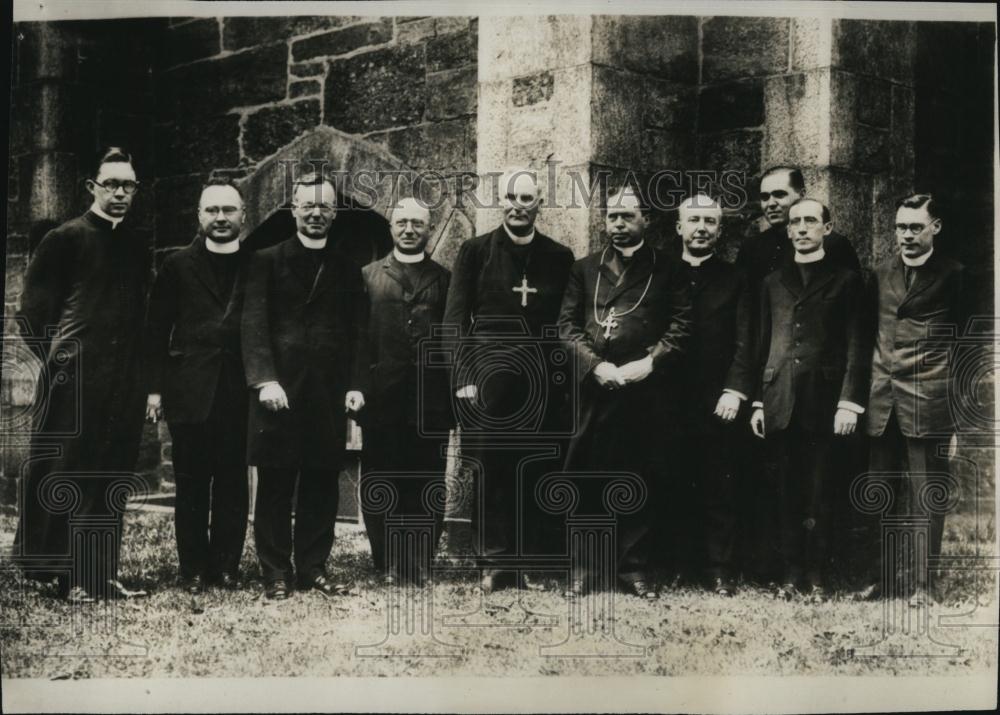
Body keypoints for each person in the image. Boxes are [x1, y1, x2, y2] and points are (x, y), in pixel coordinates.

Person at [13, 147, 150, 602]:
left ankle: (100, 573)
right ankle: (64, 575)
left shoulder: (135, 242)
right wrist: (62, 360)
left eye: (127, 185)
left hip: (123, 380)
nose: (119, 193)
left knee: (111, 474)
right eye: (110, 183)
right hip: (73, 382)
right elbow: (31, 314)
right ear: (91, 187)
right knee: (69, 472)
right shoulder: (65, 238)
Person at [442, 169, 575, 593]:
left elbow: (565, 323)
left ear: (540, 204)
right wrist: (463, 378)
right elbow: (454, 320)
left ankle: (531, 563)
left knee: (534, 469)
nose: (518, 205)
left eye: (527, 198)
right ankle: (495, 563)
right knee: (493, 470)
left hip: (541, 383)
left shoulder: (559, 256)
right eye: (510, 198)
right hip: (487, 382)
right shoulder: (475, 251)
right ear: (500, 202)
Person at [558, 186, 691, 599]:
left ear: (645, 220)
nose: (618, 224)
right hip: (595, 389)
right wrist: (595, 365)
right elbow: (566, 327)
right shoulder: (584, 269)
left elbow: (682, 326)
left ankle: (633, 568)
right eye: (613, 216)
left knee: (640, 475)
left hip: (644, 391)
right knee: (586, 477)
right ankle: (584, 567)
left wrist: (648, 364)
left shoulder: (667, 269)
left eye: (627, 216)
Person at [242, 172, 369, 601]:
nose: (316, 213)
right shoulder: (265, 260)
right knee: (276, 486)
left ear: (335, 212)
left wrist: (355, 385)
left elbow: (358, 333)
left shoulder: (348, 267)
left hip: (327, 395)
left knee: (320, 483)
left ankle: (312, 568)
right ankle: (275, 571)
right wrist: (265, 381)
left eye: (325, 206)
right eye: (308, 205)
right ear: (294, 208)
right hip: (278, 394)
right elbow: (254, 327)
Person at [736, 165, 862, 585]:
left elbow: (856, 342)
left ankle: (818, 573)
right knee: (784, 491)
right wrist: (757, 399)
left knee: (821, 489)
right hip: (779, 400)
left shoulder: (845, 279)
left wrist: (848, 399)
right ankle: (790, 573)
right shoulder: (771, 281)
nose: (801, 228)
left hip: (824, 400)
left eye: (810, 220)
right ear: (787, 232)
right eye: (795, 223)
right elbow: (762, 339)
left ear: (826, 227)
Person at [144, 177, 250, 595]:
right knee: (190, 485)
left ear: (243, 215)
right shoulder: (176, 265)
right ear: (199, 215)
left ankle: (226, 567)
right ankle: (191, 569)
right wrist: (154, 390)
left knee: (232, 483)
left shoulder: (257, 263)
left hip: (241, 391)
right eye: (212, 210)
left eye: (228, 210)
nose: (220, 218)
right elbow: (155, 332)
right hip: (189, 391)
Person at [866, 193, 970, 607]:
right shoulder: (879, 274)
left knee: (928, 496)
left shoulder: (956, 275)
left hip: (929, 400)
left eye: (915, 227)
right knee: (880, 492)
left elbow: (966, 348)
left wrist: (958, 415)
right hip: (882, 398)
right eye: (900, 227)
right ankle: (884, 579)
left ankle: (924, 585)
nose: (906, 236)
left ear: (935, 228)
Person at [359, 197, 452, 584]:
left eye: (418, 223)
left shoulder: (444, 279)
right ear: (391, 227)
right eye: (402, 222)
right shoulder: (368, 275)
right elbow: (357, 338)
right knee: (382, 477)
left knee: (427, 479)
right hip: (382, 396)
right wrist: (358, 388)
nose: (409, 229)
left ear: (429, 230)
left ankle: (421, 560)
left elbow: (453, 337)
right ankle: (387, 560)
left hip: (430, 397)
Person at [669, 194, 753, 596]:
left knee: (720, 484)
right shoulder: (661, 272)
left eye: (709, 221)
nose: (701, 227)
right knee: (672, 479)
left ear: (720, 230)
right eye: (693, 220)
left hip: (719, 399)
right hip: (668, 399)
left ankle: (719, 568)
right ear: (678, 227)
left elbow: (745, 341)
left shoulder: (736, 279)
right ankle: (677, 564)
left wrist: (735, 390)